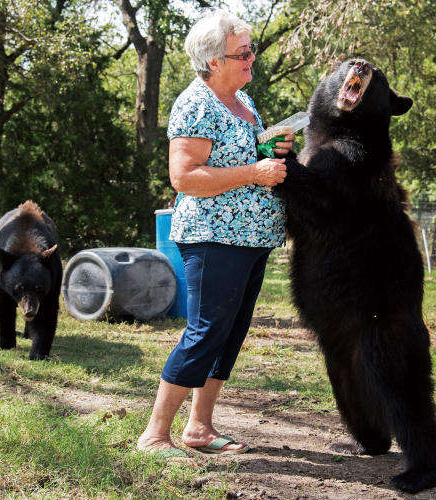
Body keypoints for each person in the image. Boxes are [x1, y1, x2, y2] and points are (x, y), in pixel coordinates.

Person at [137, 10, 293, 461]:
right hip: (213, 237)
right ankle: (154, 434)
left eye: (251, 50)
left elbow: (242, 159)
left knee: (229, 333)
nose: (251, 59)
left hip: (252, 239)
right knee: (205, 331)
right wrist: (254, 171)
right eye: (241, 53)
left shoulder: (243, 102)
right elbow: (183, 177)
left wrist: (270, 151)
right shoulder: (196, 102)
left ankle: (199, 428)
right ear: (212, 60)